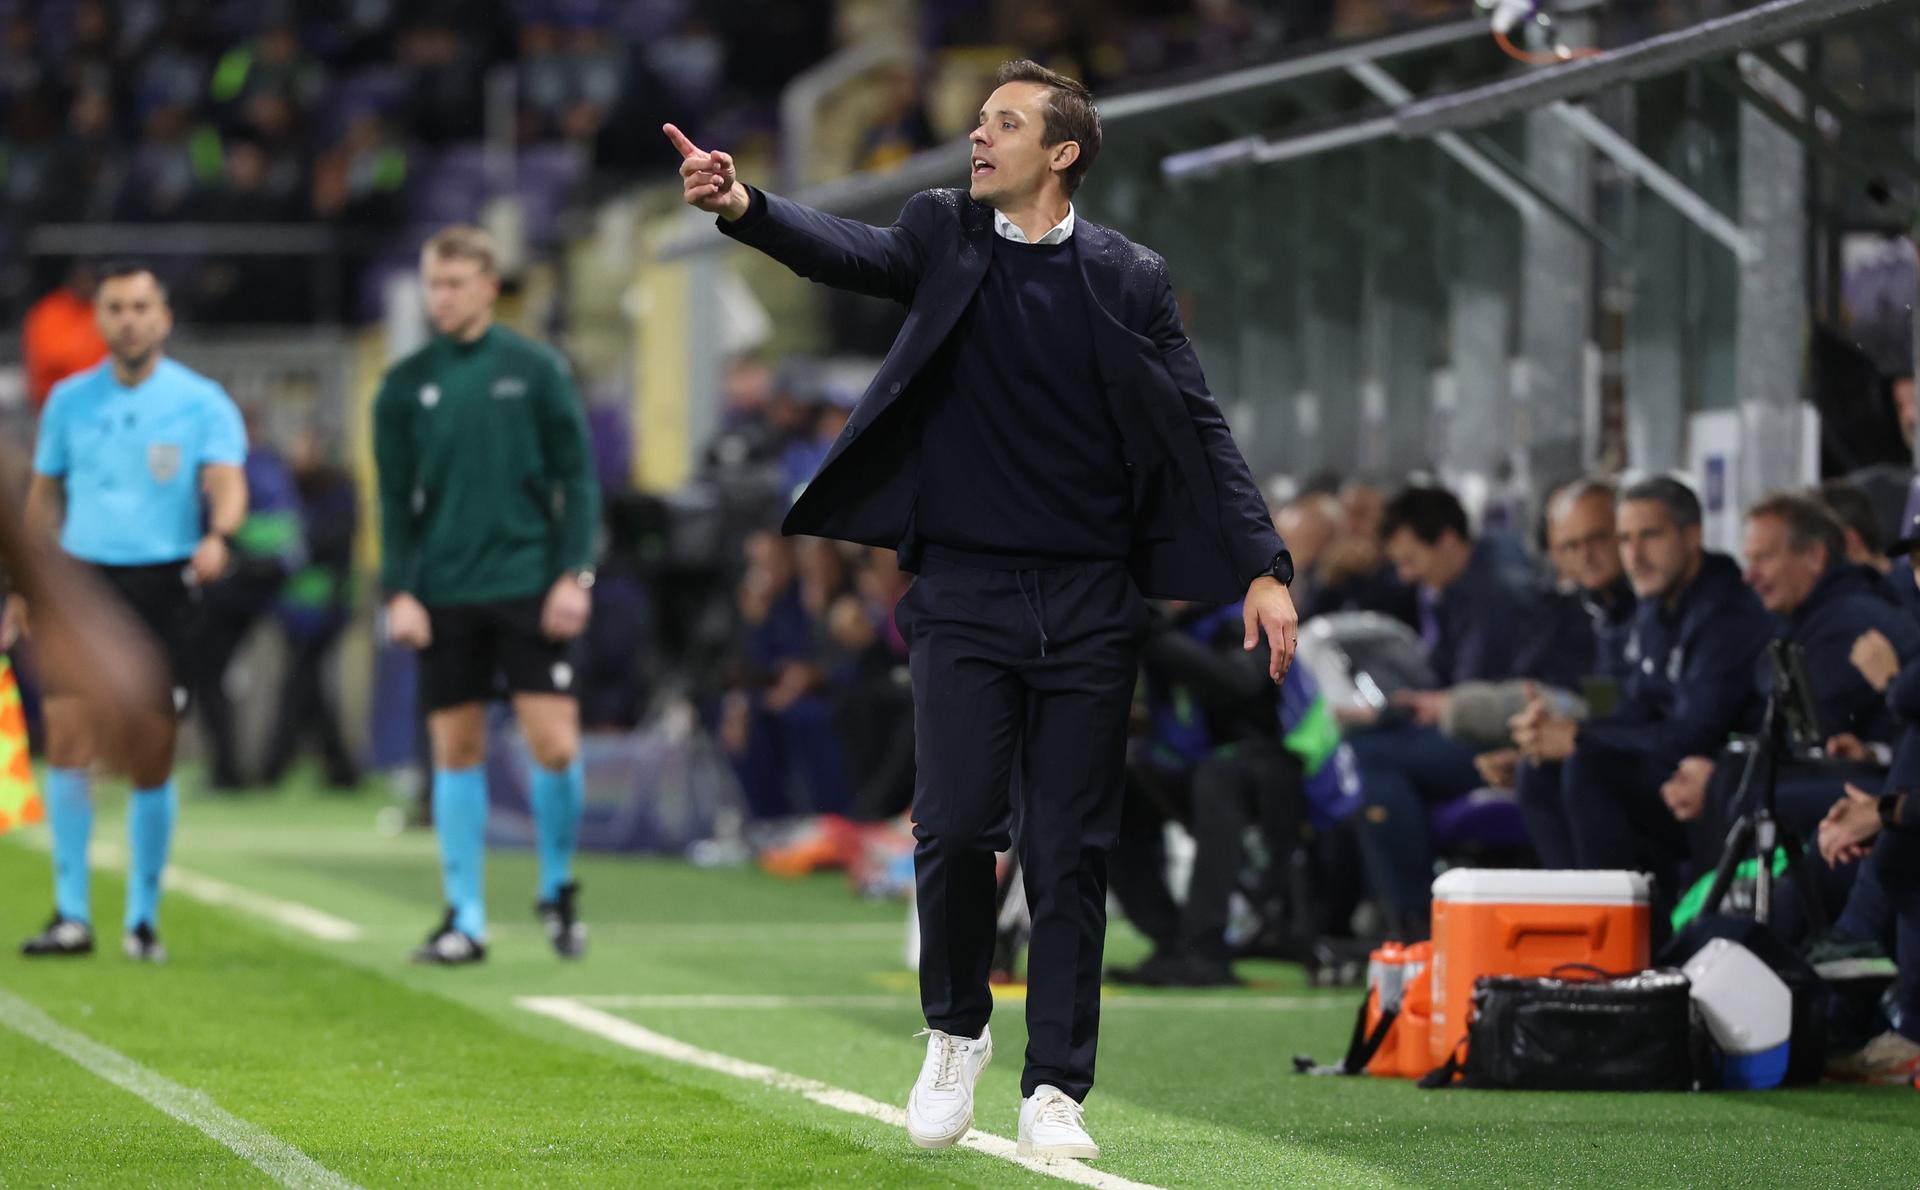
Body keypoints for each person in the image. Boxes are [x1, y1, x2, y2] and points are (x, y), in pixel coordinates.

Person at [668, 58, 1295, 1161]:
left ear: (1063, 154)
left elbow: (1199, 426)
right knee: (957, 828)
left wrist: (1265, 565)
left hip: (1095, 600)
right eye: (978, 119)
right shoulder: (941, 230)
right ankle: (956, 1028)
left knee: (1072, 850)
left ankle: (1055, 1086)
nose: (978, 135)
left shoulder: (1129, 276)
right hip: (960, 591)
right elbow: (849, 253)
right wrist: (745, 207)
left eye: (1005, 122)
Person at [5, 262, 248, 961]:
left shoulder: (201, 402)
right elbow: (43, 496)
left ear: (164, 317)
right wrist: (25, 585)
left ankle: (142, 918)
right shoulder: (68, 403)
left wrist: (218, 536)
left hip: (164, 583)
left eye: (142, 306)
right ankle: (71, 914)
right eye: (116, 308)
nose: (129, 319)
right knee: (70, 739)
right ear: (101, 320)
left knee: (152, 753)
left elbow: (226, 481)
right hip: (82, 584)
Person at [372, 226, 600, 965]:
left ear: (488, 287)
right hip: (444, 592)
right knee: (456, 748)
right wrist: (399, 591)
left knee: (555, 745)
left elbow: (579, 479)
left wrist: (575, 574)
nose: (441, 297)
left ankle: (557, 885)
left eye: (454, 283)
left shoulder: (535, 370)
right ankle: (464, 916)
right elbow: (394, 503)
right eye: (433, 284)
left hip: (530, 586)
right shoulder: (404, 385)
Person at [1513, 477, 1773, 892]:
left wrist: (1581, 739)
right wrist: (1561, 734)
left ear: (1692, 536)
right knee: (1537, 770)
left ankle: (1615, 930)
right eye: (1624, 539)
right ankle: (1571, 914)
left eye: (1649, 536)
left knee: (1588, 768)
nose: (1632, 555)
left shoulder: (1724, 613)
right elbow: (1627, 704)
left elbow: (1695, 733)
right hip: (1658, 762)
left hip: (1714, 778)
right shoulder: (1635, 606)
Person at [1345, 485, 1543, 935]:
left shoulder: (1496, 595)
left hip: (1503, 739)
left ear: (1450, 541)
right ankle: (1394, 907)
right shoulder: (1460, 589)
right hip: (1472, 730)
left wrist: (1429, 706)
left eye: (1412, 559)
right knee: (1360, 746)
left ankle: (1415, 915)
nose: (1407, 575)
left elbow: (1474, 701)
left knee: (1367, 757)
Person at [261, 425, 361, 788]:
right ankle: (339, 770)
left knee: (299, 685)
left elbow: (328, 543)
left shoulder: (339, 493)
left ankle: (274, 766)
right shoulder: (289, 491)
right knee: (309, 688)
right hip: (294, 607)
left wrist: (296, 550)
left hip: (327, 606)